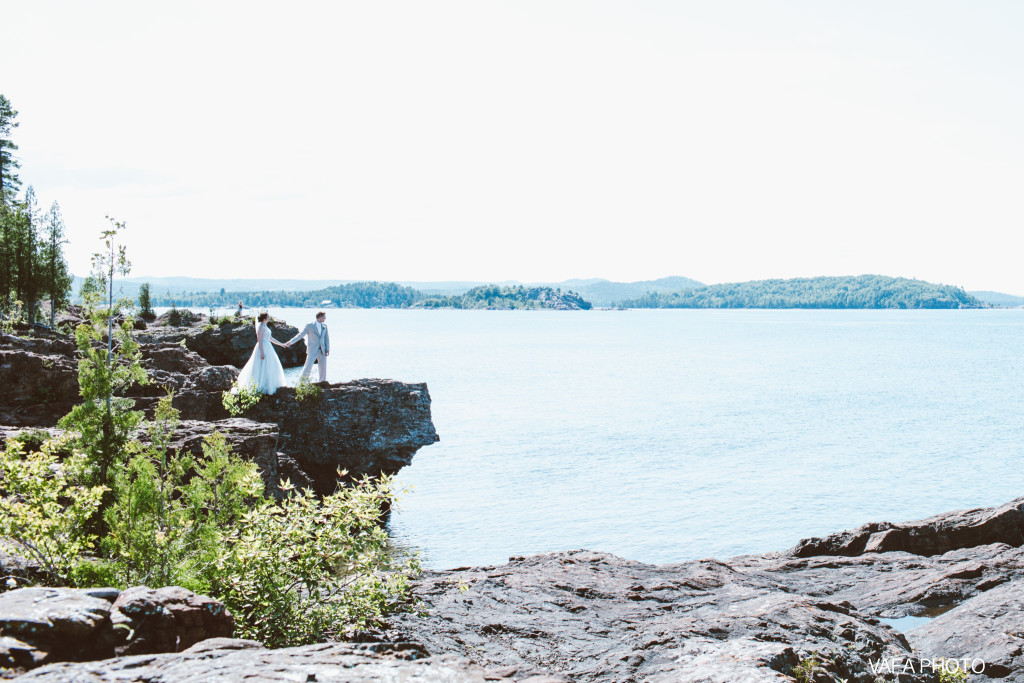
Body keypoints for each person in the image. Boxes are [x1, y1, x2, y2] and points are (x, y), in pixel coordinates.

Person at [235, 312, 288, 394]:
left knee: (269, 366)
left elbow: (270, 338)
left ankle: (267, 385)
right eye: (268, 316)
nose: (269, 317)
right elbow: (259, 340)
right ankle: (260, 386)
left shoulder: (265, 326)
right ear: (264, 318)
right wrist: (262, 352)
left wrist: (281, 344)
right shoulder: (261, 327)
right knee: (261, 366)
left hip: (268, 347)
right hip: (263, 347)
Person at [286, 311, 330, 381]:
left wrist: (327, 349)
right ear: (320, 317)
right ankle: (303, 382)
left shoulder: (325, 326)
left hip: (322, 350)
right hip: (312, 350)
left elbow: (326, 338)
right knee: (308, 367)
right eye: (324, 316)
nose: (325, 318)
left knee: (323, 368)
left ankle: (322, 381)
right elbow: (301, 335)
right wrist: (291, 342)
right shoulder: (310, 326)